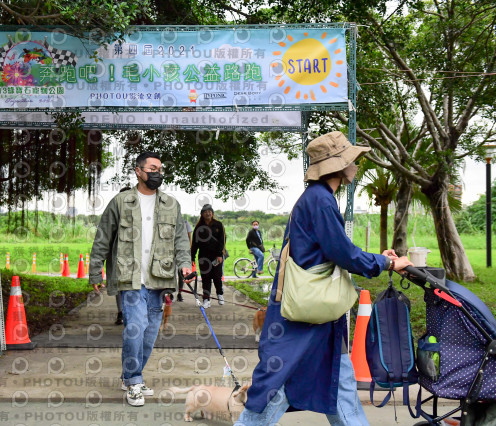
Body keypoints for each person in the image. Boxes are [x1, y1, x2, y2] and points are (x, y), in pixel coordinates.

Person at [236, 131, 413, 425]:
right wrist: (388, 263)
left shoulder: (316, 198)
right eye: (352, 160)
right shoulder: (321, 201)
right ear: (339, 166)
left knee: (339, 381)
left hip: (317, 315)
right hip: (306, 317)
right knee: (277, 386)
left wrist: (379, 259)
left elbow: (336, 250)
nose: (356, 165)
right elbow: (343, 253)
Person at [88, 152, 193, 407]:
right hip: (130, 278)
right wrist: (95, 271)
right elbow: (103, 238)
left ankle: (130, 375)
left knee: (149, 334)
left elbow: (181, 239)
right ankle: (134, 380)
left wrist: (185, 264)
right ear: (138, 171)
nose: (157, 173)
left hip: (160, 278)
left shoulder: (171, 204)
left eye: (160, 169)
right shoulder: (121, 202)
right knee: (134, 329)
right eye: (152, 168)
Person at [191, 204, 226, 308]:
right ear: (202, 214)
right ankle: (206, 299)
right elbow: (195, 243)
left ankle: (220, 294)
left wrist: (220, 255)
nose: (208, 213)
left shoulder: (218, 225)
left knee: (217, 276)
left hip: (216, 256)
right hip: (203, 256)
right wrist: (192, 257)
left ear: (212, 213)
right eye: (205, 212)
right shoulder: (198, 227)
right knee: (205, 278)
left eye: (209, 211)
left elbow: (222, 241)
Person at [176, 217, 193, 302]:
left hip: (182, 251)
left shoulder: (185, 223)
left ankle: (179, 293)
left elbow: (189, 237)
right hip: (170, 252)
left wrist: (188, 250)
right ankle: (168, 294)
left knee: (181, 274)